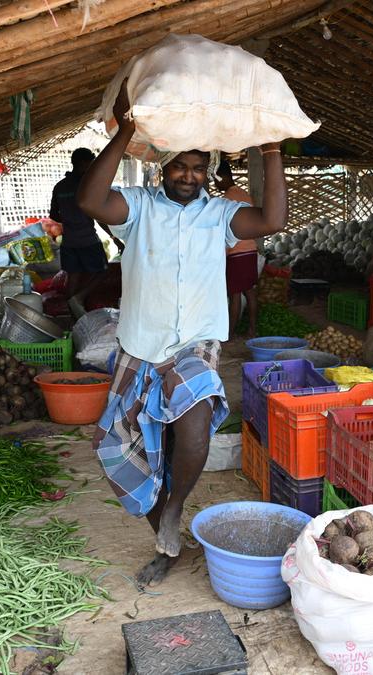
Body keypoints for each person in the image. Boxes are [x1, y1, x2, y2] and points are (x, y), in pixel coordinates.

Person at [77, 84, 287, 587]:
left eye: (198, 168)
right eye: (179, 166)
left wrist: (273, 149)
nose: (189, 176)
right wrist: (126, 129)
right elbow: (89, 199)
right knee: (127, 446)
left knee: (192, 433)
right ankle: (164, 538)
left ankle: (174, 513)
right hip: (141, 344)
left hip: (194, 343)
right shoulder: (138, 208)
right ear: (162, 168)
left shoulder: (220, 215)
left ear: (207, 172)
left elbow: (274, 220)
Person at [50, 148, 119, 302]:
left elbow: (53, 215)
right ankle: (80, 298)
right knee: (102, 271)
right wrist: (114, 237)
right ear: (83, 163)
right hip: (88, 240)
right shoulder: (87, 186)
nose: (92, 166)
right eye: (91, 163)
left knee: (73, 275)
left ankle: (70, 307)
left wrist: (69, 219)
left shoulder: (60, 186)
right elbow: (99, 217)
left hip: (69, 242)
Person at [215, 160, 259, 338]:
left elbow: (223, 231)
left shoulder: (226, 199)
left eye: (216, 180)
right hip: (250, 250)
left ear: (222, 177)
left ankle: (229, 335)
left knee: (234, 295)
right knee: (249, 292)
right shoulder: (245, 194)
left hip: (236, 252)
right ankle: (252, 329)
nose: (216, 184)